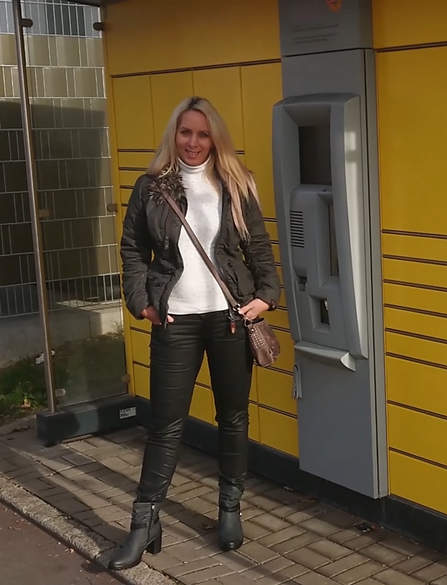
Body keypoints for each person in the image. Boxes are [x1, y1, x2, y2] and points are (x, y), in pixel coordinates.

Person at [110, 96, 279, 570]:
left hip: (229, 319)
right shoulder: (151, 187)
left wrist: (267, 295)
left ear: (214, 138)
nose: (193, 142)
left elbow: (259, 247)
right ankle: (144, 523)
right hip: (175, 321)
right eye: (186, 132)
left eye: (203, 134)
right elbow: (132, 249)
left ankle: (230, 509)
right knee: (165, 425)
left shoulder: (235, 183)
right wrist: (142, 302)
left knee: (233, 418)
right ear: (174, 134)